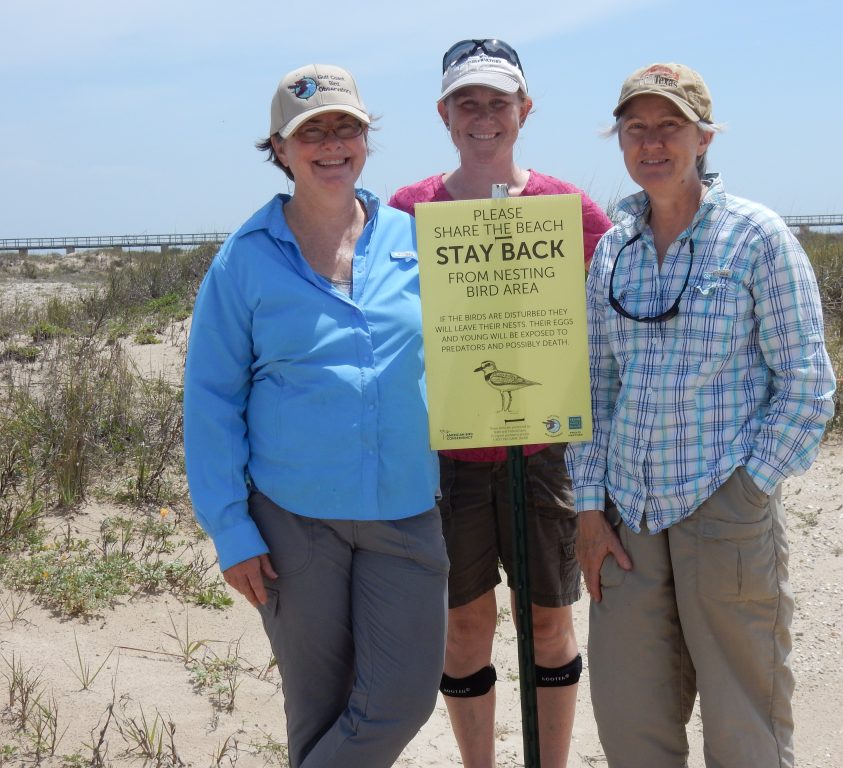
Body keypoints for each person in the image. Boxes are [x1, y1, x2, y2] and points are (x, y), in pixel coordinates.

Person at [566, 63, 836, 768]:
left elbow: (807, 387)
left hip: (723, 511)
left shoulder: (757, 238)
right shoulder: (612, 253)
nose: (652, 143)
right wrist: (589, 509)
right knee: (631, 725)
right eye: (637, 129)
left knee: (743, 725)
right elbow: (595, 387)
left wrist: (747, 491)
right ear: (620, 141)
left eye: (670, 127)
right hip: (627, 518)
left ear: (704, 138)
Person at [183, 64, 448, 768]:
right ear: (280, 148)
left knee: (400, 698)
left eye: (346, 128)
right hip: (293, 520)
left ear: (366, 139)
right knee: (319, 705)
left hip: (405, 511)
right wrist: (231, 530)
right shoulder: (244, 260)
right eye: (311, 133)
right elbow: (210, 400)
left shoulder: (418, 242)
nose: (331, 145)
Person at [389, 39, 612, 768]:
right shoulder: (407, 211)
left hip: (546, 453)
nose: (483, 117)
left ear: (525, 109)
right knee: (463, 628)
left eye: (498, 102)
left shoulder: (568, 210)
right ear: (444, 113)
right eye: (467, 102)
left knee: (550, 622)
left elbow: (608, 317)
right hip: (447, 460)